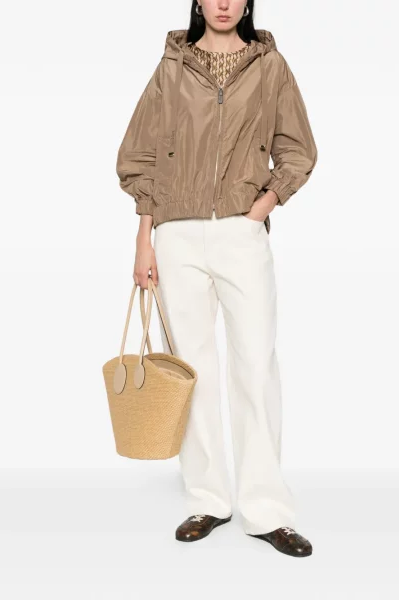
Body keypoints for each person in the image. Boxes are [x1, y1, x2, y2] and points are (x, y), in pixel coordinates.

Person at [116, 0, 318, 558]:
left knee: (255, 366)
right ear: (198, 1)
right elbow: (141, 153)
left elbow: (299, 149)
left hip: (240, 231)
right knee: (193, 370)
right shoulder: (172, 66)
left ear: (248, 2)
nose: (224, 3)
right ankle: (208, 499)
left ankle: (266, 510)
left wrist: (262, 206)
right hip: (176, 235)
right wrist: (144, 238)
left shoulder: (269, 65)